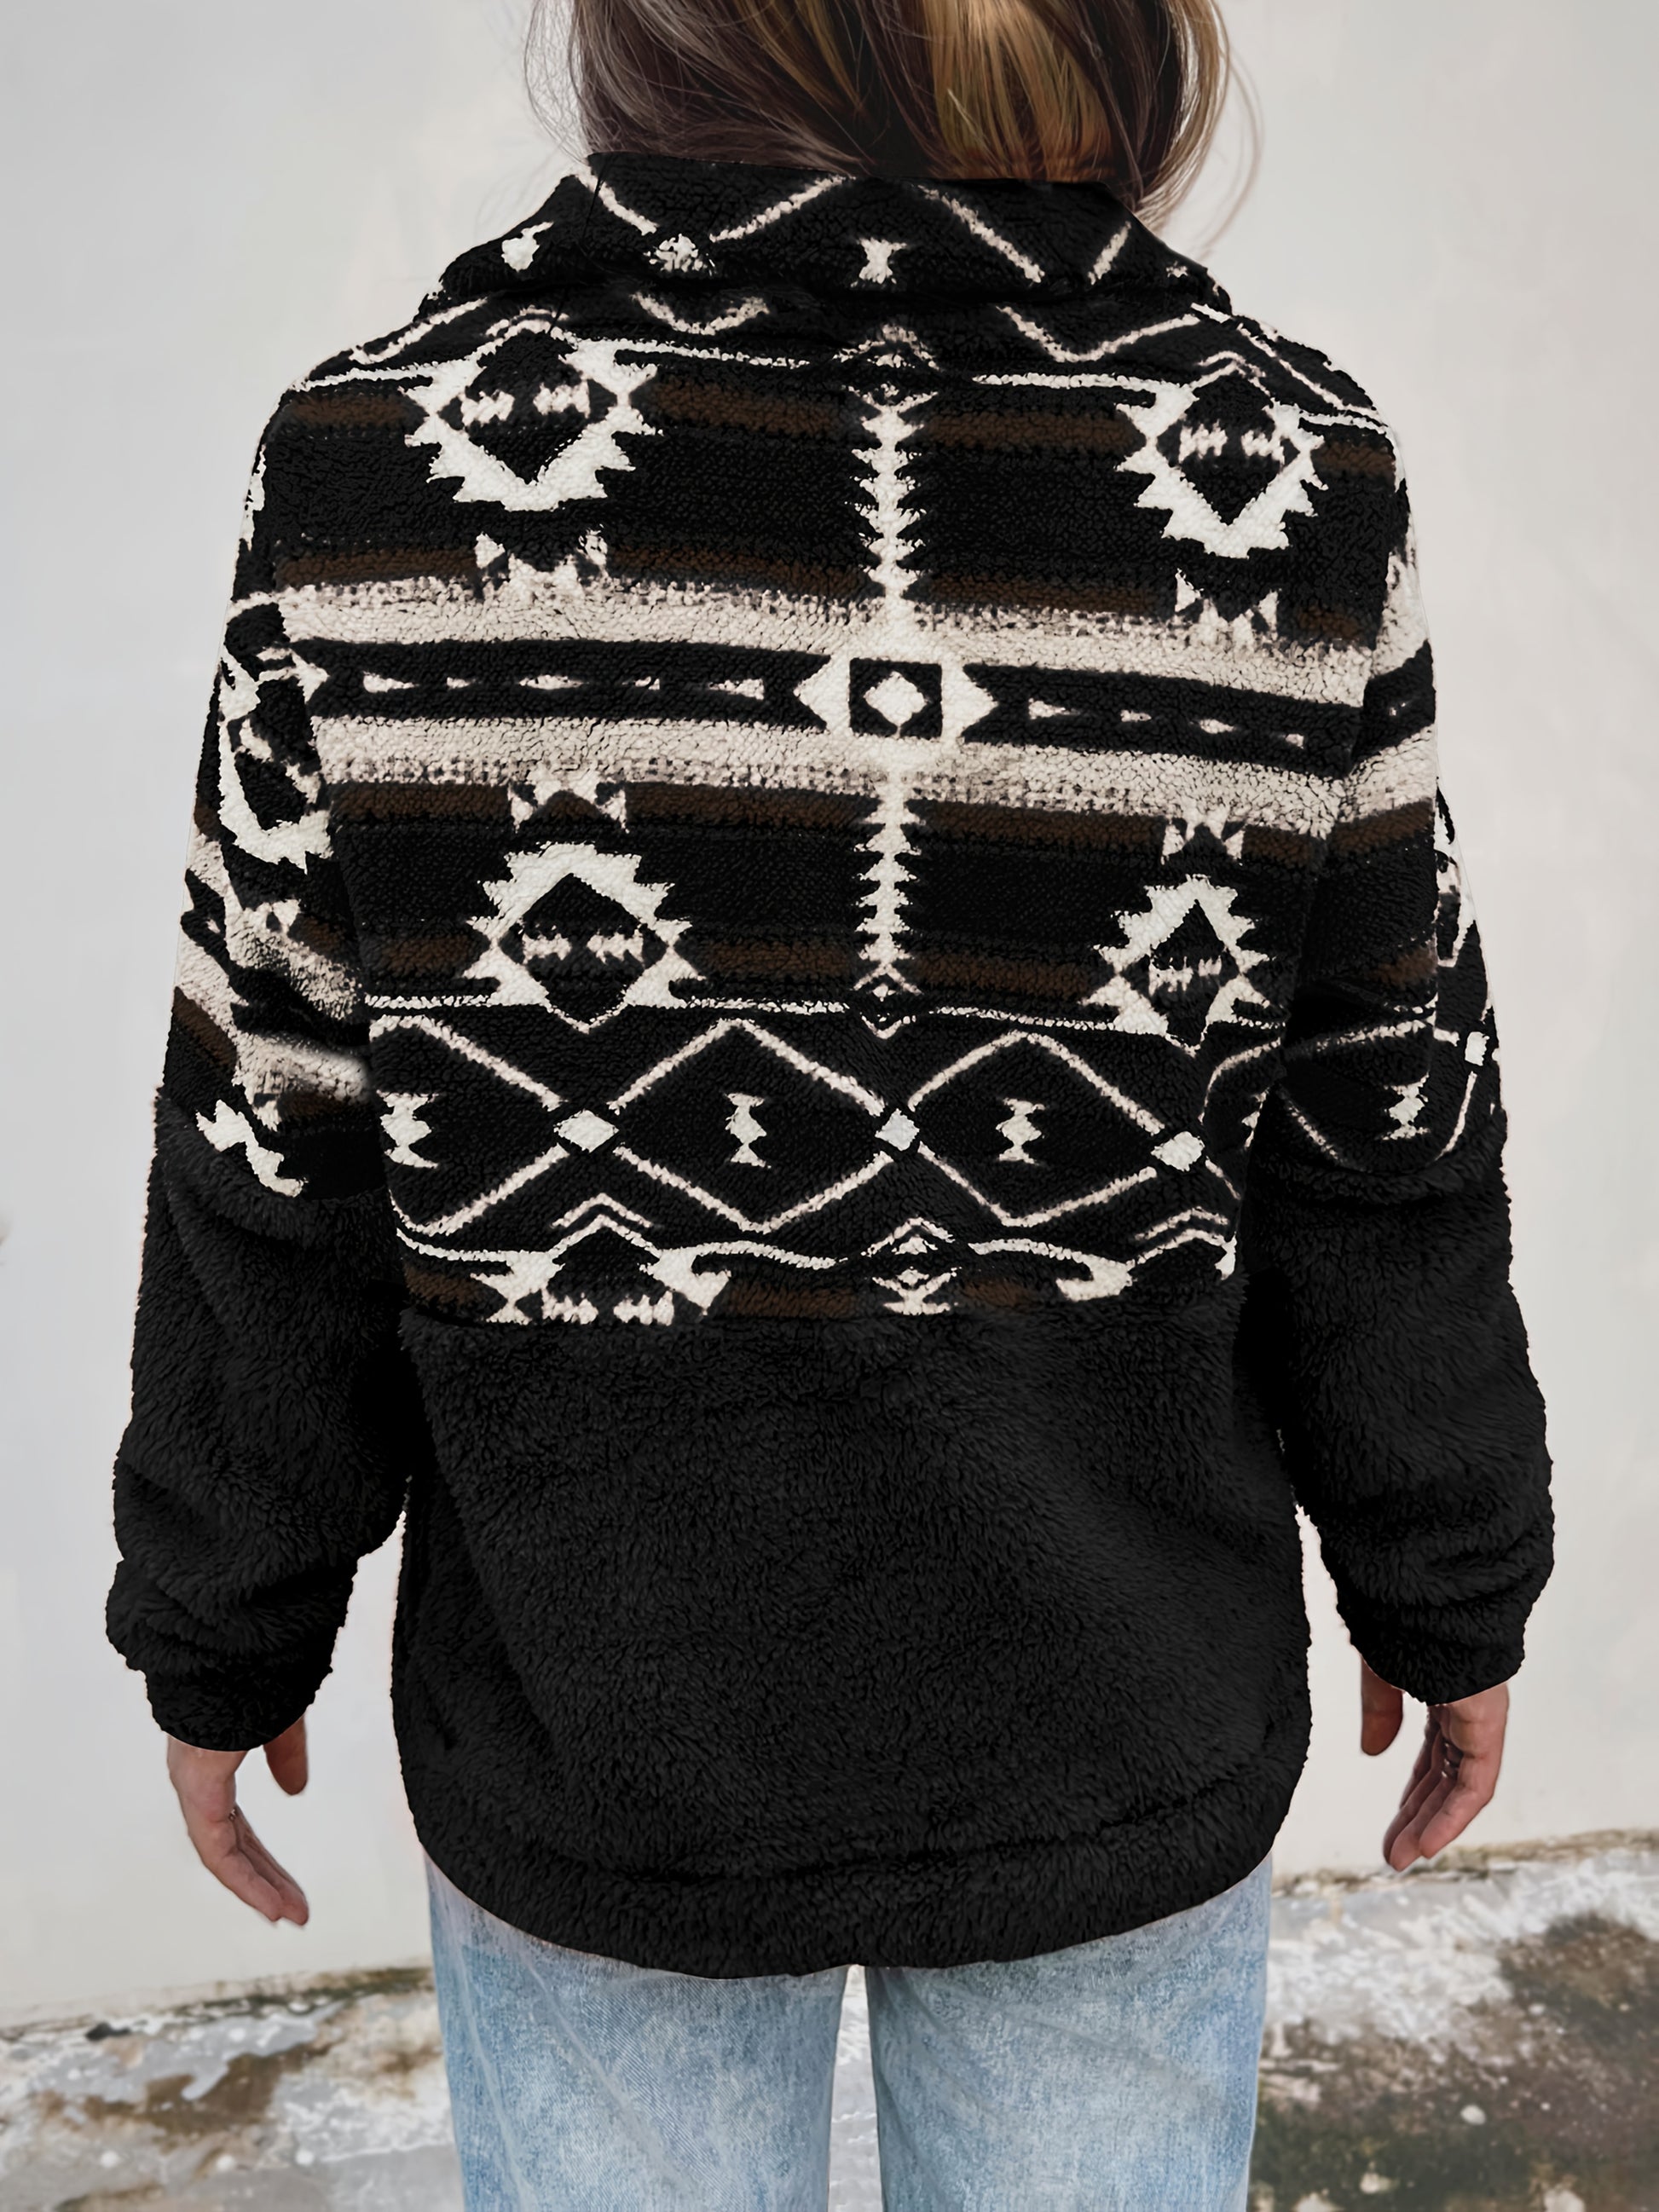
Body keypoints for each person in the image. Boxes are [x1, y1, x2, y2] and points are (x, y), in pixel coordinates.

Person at [107, 0, 1552, 2202]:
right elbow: (1386, 1118)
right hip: (1110, 1708)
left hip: (605, 1724)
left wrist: (227, 1615)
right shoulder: (1283, 473)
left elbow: (273, 1127)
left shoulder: (373, 469)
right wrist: (1445, 1573)